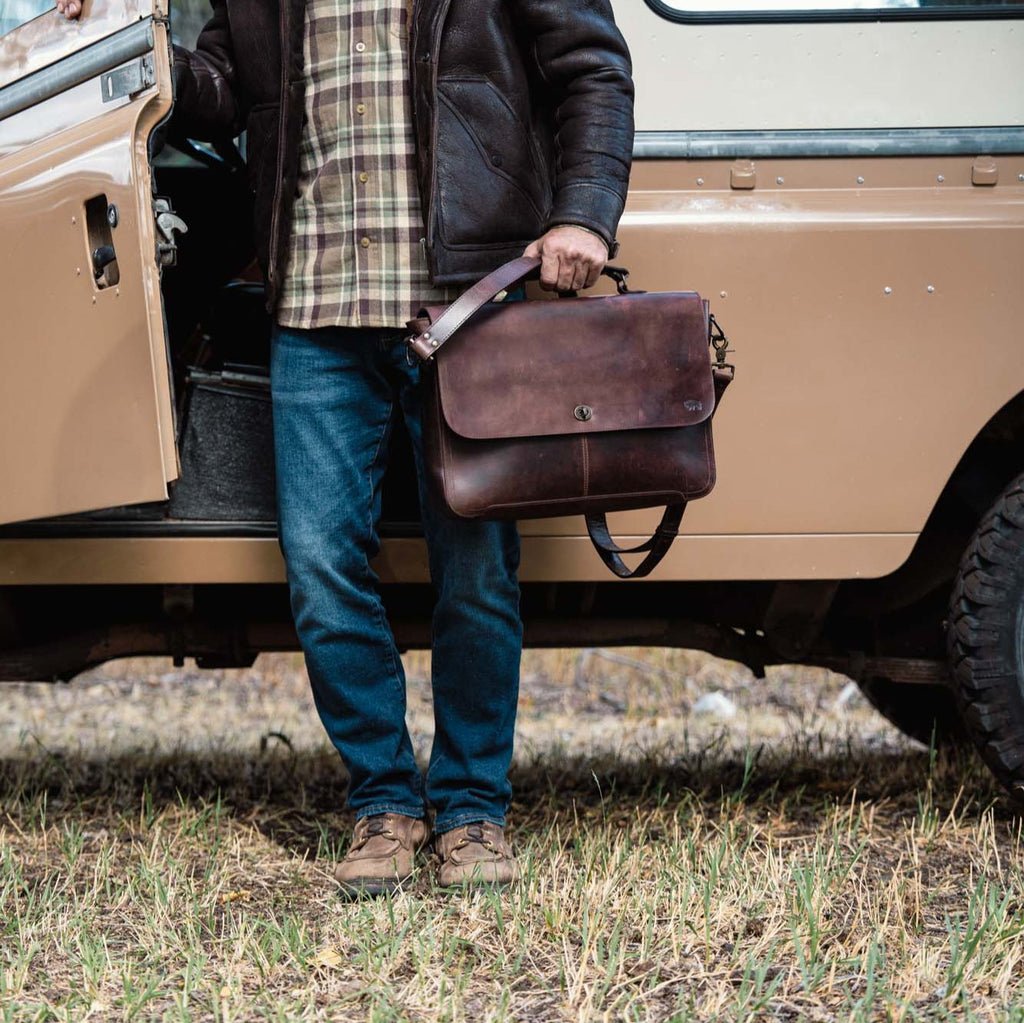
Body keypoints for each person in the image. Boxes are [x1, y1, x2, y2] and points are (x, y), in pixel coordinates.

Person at [59, 0, 634, 893]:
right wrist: (122, 29)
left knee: (476, 570)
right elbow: (213, 89)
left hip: (467, 300)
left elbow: (592, 63)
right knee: (323, 568)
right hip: (316, 311)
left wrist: (586, 213)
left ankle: (475, 810)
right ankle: (386, 802)